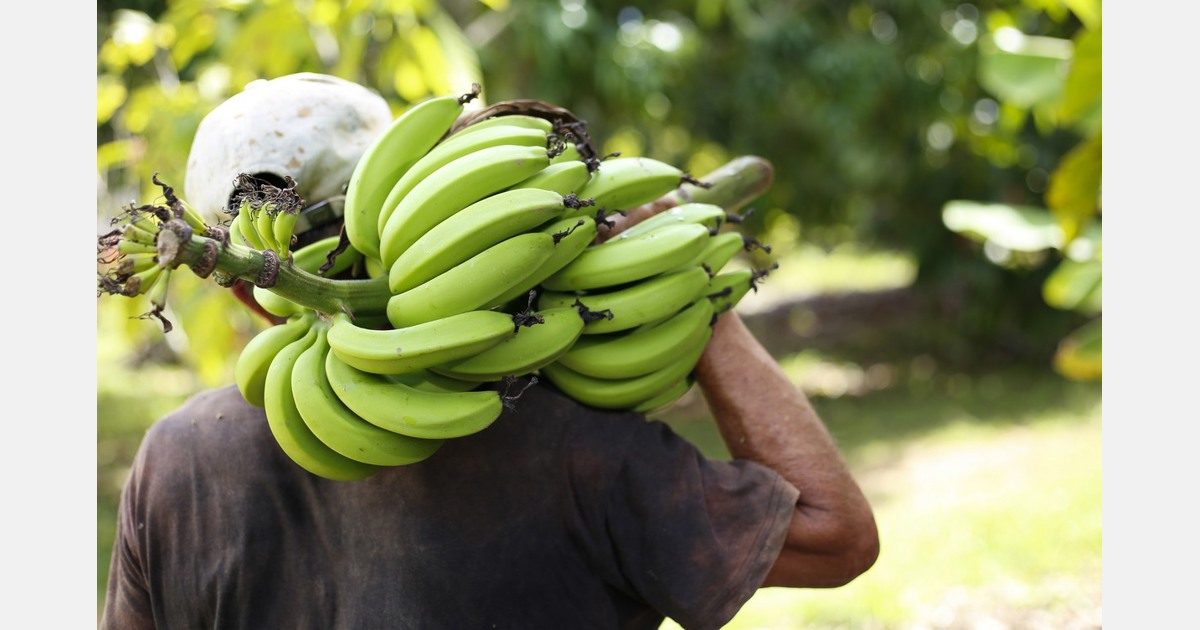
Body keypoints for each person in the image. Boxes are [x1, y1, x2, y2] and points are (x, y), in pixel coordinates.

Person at [100, 73, 879, 630]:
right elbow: (835, 536)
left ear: (236, 288)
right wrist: (700, 293)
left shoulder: (177, 461)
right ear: (420, 186)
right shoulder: (572, 446)